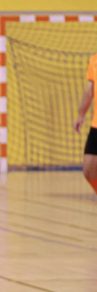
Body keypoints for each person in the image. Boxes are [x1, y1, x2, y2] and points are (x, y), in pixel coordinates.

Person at [74, 52, 97, 195]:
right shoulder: (94, 60)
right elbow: (90, 91)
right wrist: (81, 115)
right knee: (89, 170)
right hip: (96, 125)